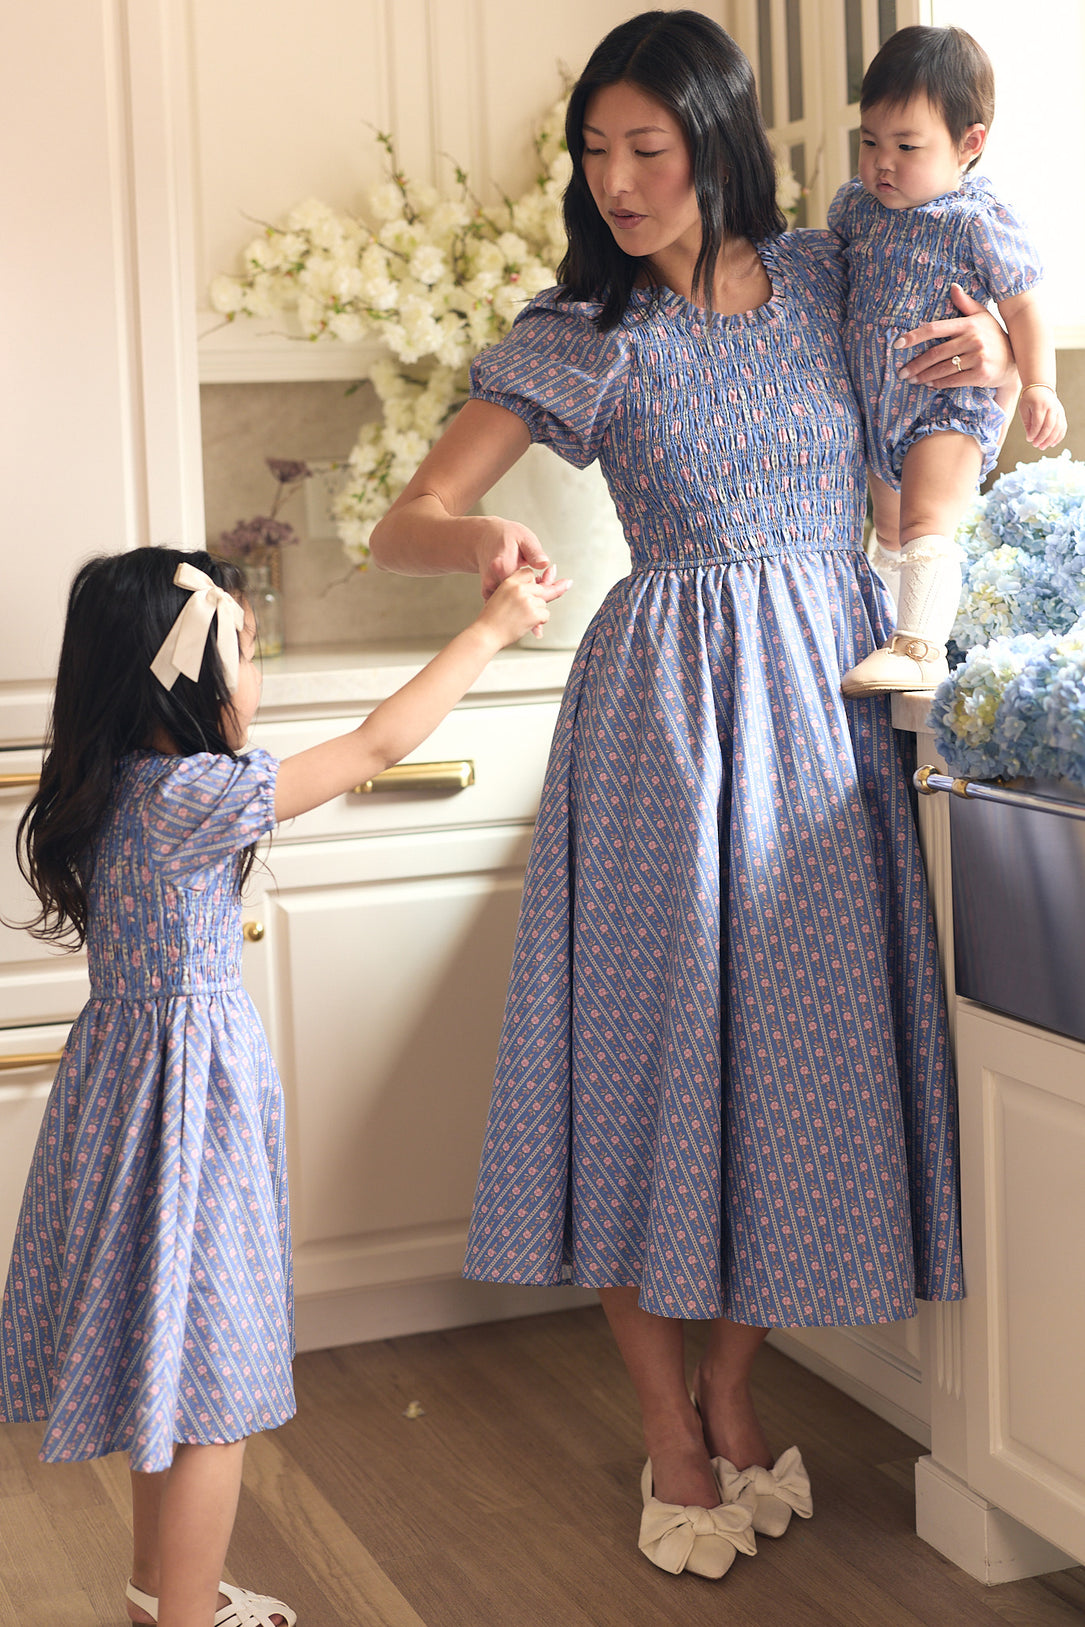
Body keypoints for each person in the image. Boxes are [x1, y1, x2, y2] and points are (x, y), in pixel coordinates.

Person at [369, 9, 1017, 1582]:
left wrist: (1004, 361)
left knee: (796, 1072)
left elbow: (944, 430)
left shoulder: (832, 273)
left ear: (713, 141)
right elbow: (407, 515)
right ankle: (668, 1423)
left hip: (826, 708)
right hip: (660, 721)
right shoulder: (581, 327)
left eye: (646, 148)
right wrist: (481, 541)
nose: (617, 180)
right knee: (644, 1072)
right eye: (595, 152)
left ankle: (733, 1382)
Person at [0, 547, 565, 1627]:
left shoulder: (112, 789)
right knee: (214, 1388)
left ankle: (161, 1591)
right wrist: (490, 629)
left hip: (124, 1094)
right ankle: (186, 1614)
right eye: (249, 653)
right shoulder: (191, 797)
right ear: (185, 680)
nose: (257, 676)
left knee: (169, 1358)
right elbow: (377, 744)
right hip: (188, 1109)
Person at [832, 24, 1066, 697]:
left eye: (907, 147)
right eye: (869, 141)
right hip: (877, 405)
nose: (882, 163)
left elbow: (1024, 308)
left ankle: (920, 647)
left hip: (947, 406)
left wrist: (1038, 384)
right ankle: (885, 631)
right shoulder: (856, 210)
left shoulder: (976, 219)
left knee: (926, 521)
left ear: (969, 144)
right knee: (889, 531)